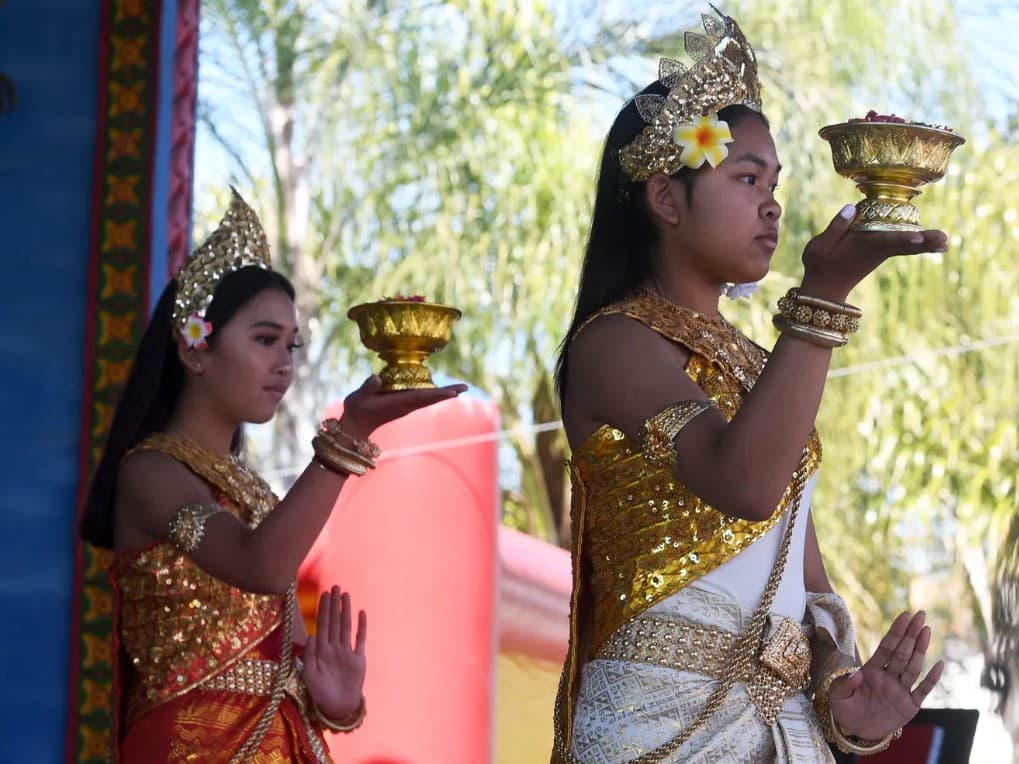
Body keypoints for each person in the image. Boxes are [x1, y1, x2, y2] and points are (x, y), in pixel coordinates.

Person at [551, 8, 947, 763]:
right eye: (745, 177)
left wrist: (845, 698)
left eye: (775, 181)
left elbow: (801, 562)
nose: (772, 202)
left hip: (779, 728)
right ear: (667, 200)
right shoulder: (615, 343)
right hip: (657, 722)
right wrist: (822, 298)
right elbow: (744, 482)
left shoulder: (764, 364)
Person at [80, 189, 466, 763]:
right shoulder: (151, 471)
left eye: (292, 343)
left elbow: (283, 651)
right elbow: (259, 565)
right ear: (194, 349)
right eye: (265, 340)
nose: (284, 362)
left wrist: (335, 701)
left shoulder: (253, 492)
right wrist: (350, 434)